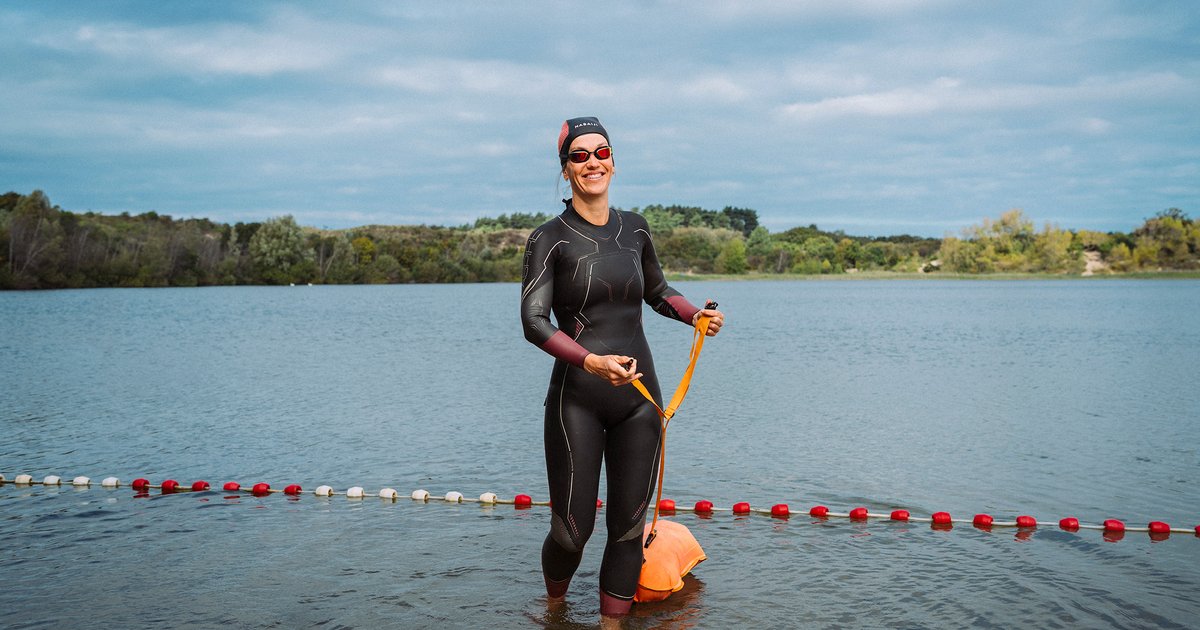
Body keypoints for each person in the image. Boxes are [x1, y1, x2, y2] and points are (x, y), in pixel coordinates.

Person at [520, 116, 725, 618]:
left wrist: (694, 314)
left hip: (640, 399)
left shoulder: (635, 228)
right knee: (572, 531)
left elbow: (658, 290)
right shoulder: (549, 238)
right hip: (578, 400)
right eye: (579, 155)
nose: (593, 162)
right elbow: (533, 321)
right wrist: (592, 361)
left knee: (628, 528)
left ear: (613, 161)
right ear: (565, 169)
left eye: (602, 152)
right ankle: (553, 611)